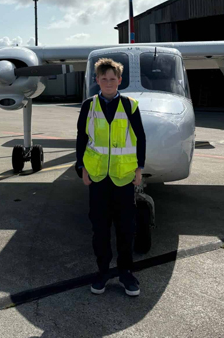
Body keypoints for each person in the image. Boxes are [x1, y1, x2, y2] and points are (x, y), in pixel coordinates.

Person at [76, 57, 146, 296]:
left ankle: (126, 273)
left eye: (112, 79)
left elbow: (140, 139)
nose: (108, 82)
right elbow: (81, 138)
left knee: (126, 227)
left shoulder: (130, 105)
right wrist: (81, 168)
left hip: (124, 176)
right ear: (96, 80)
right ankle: (103, 271)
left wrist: (139, 168)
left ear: (119, 81)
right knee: (100, 228)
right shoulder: (88, 106)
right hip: (97, 176)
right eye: (103, 78)